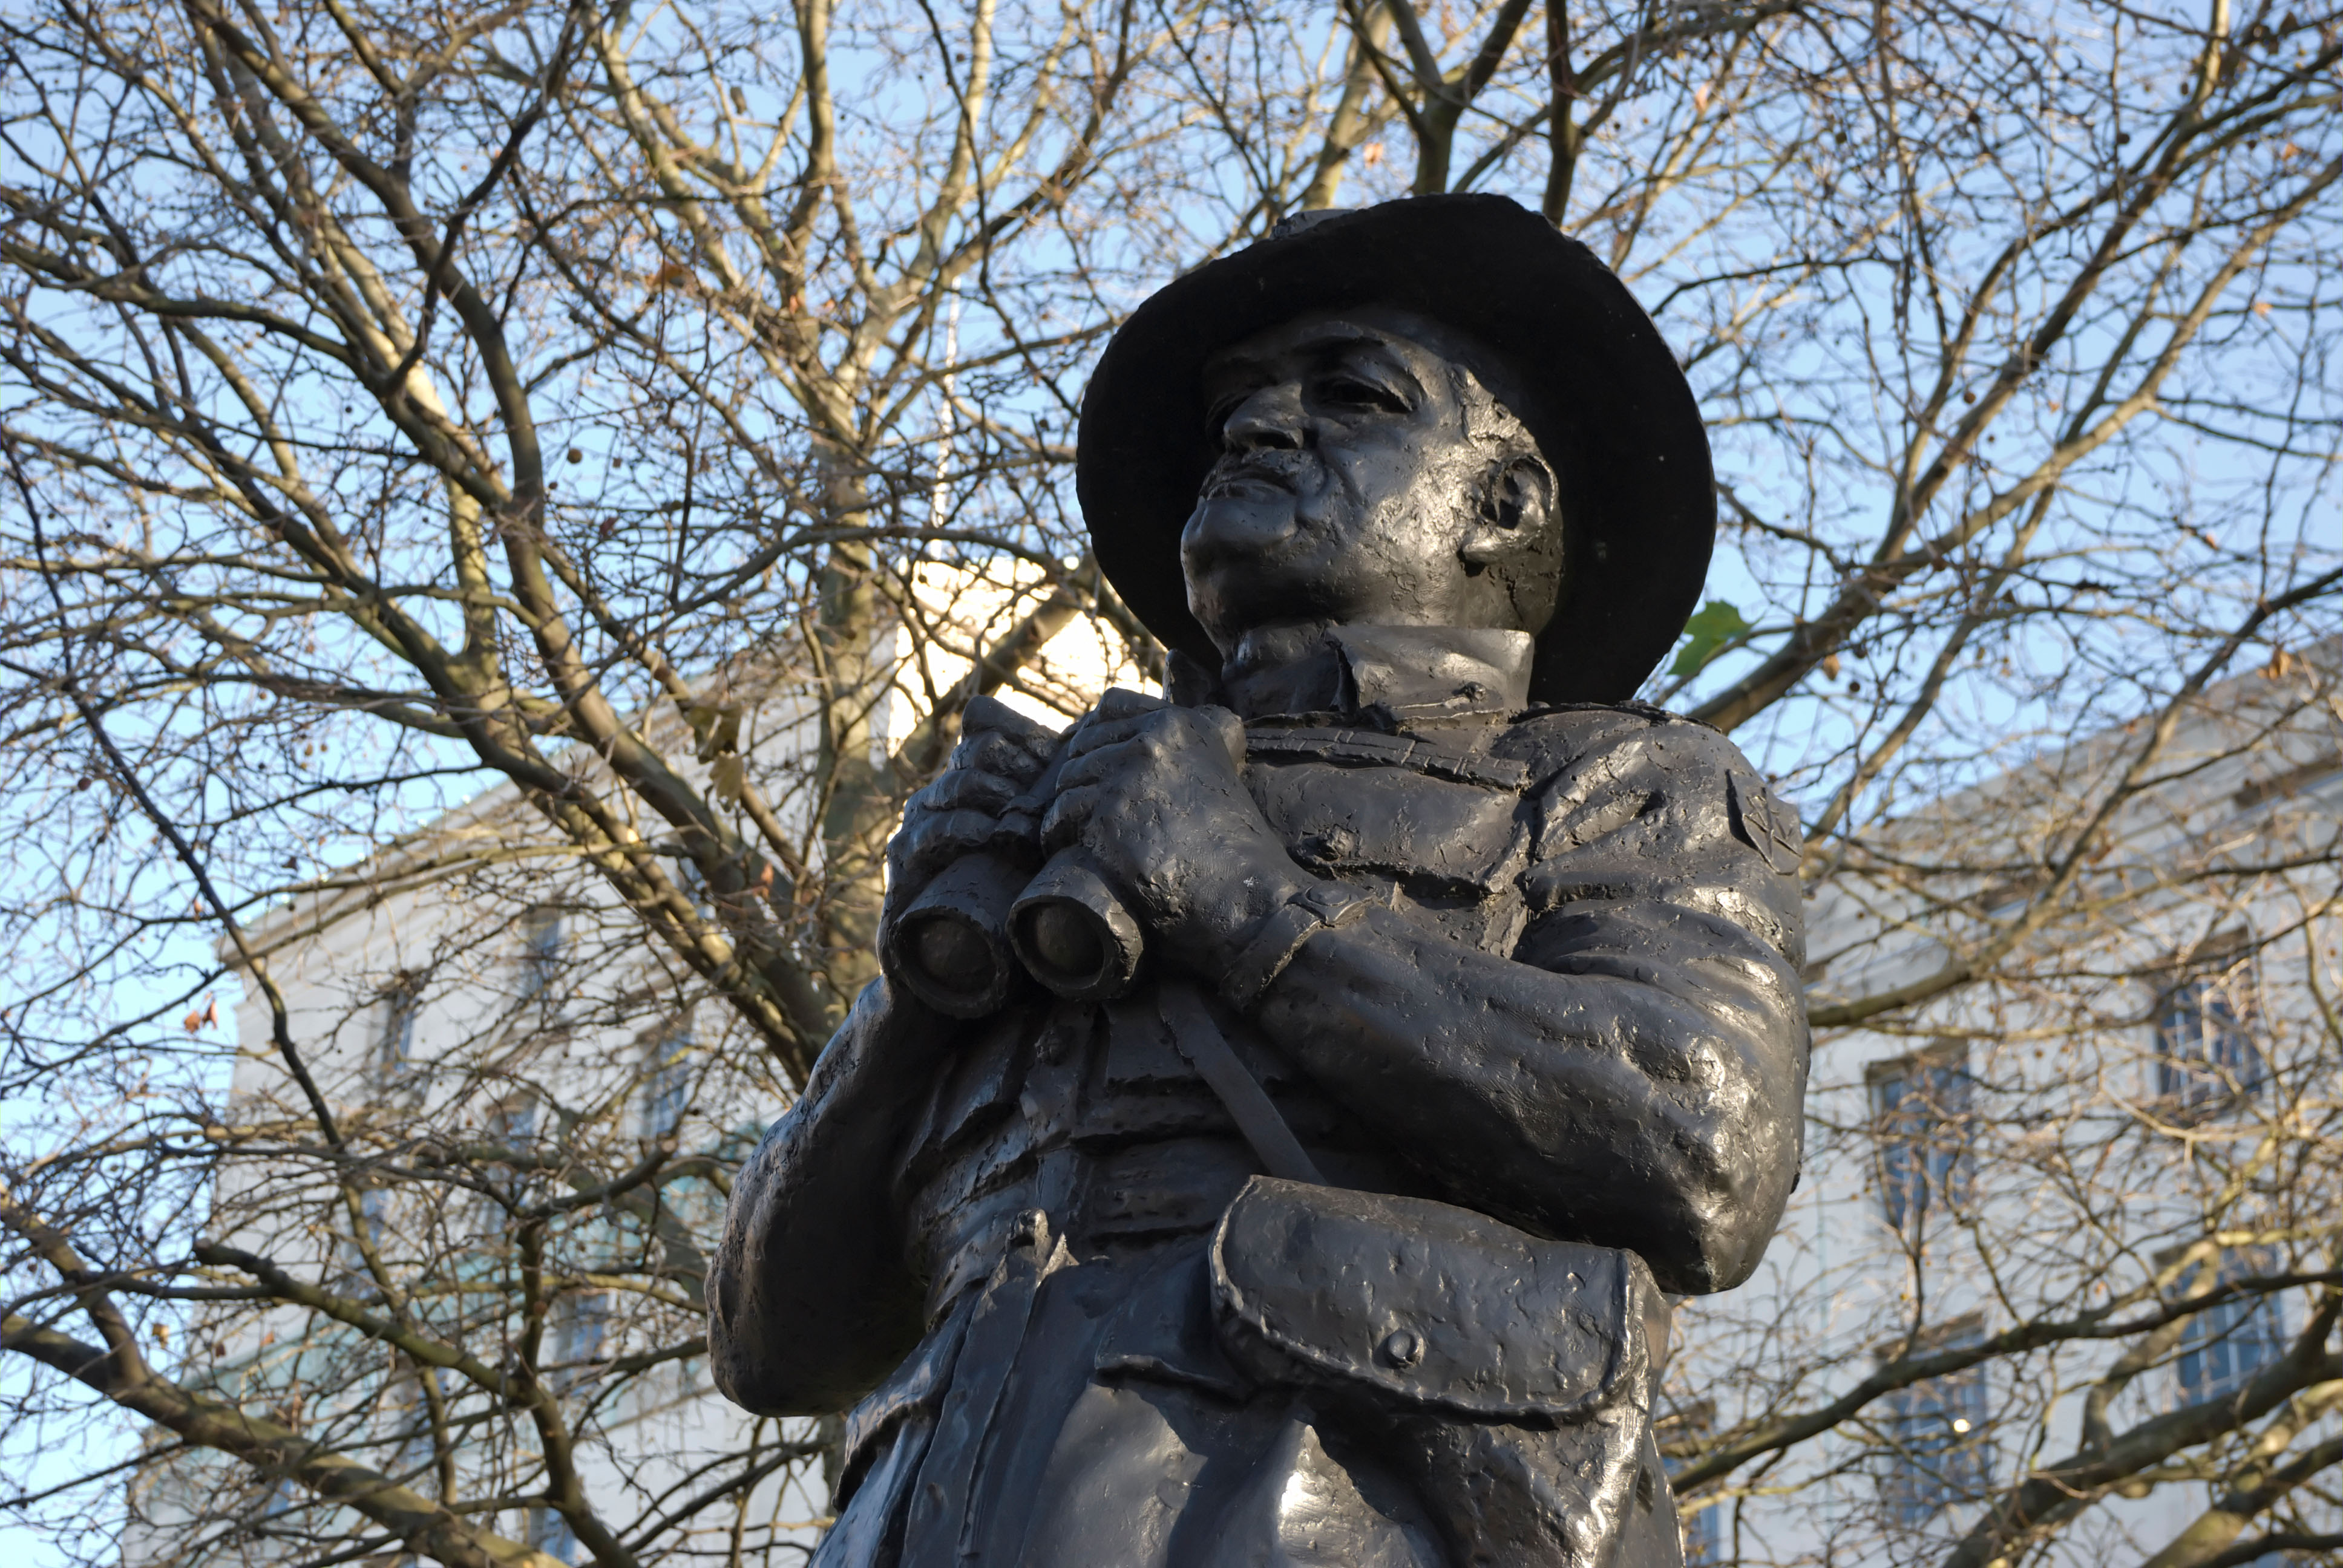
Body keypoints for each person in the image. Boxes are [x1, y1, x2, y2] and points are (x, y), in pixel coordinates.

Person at [708, 195, 1809, 1568]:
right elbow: (771, 1347)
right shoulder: (1061, 817)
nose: (1255, 424)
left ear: (1503, 503)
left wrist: (1239, 901)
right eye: (1236, 402)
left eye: (1350, 393)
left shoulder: (1620, 786)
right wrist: (906, 1011)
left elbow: (1704, 1153)